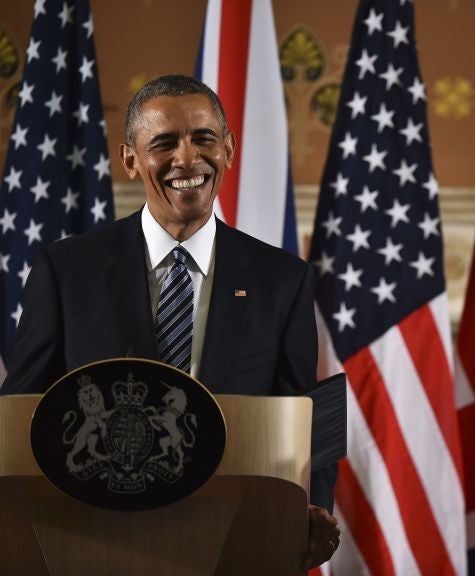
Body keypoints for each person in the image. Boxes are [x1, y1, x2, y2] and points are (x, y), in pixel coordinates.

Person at [1, 75, 339, 568]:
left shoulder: (282, 278)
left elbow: (301, 417)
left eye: (204, 139)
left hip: (236, 545)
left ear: (227, 149)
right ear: (130, 159)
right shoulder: (67, 270)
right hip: (94, 542)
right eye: (164, 143)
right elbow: (21, 411)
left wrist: (313, 510)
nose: (187, 159)